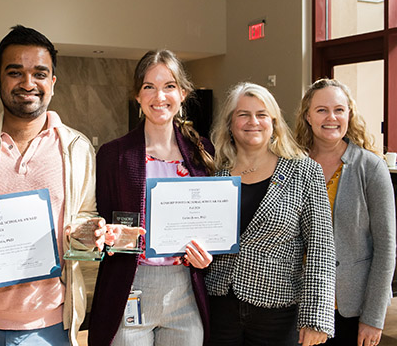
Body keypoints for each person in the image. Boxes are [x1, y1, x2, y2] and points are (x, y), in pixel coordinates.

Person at [0, 25, 104, 346]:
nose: (28, 83)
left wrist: (88, 234)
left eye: (40, 73)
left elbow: (84, 227)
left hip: (50, 326)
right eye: (15, 72)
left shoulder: (77, 147)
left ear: (52, 83)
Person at [88, 49, 216, 346]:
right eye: (149, 87)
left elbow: (209, 222)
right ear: (137, 96)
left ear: (183, 93)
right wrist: (108, 235)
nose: (160, 96)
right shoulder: (113, 155)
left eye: (169, 86)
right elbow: (99, 222)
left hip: (186, 289)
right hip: (130, 286)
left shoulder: (202, 152)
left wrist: (208, 254)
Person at [206, 82, 335, 346]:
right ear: (230, 123)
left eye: (262, 114)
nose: (253, 121)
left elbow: (321, 248)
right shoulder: (213, 173)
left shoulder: (304, 171)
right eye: (243, 114)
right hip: (219, 308)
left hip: (279, 312)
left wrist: (316, 318)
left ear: (274, 122)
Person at [295, 78, 396, 346]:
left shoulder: (371, 167)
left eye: (339, 109)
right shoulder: (292, 164)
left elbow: (386, 248)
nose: (331, 117)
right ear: (308, 116)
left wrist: (374, 317)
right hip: (299, 303)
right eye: (321, 110)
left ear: (349, 114)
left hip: (352, 307)